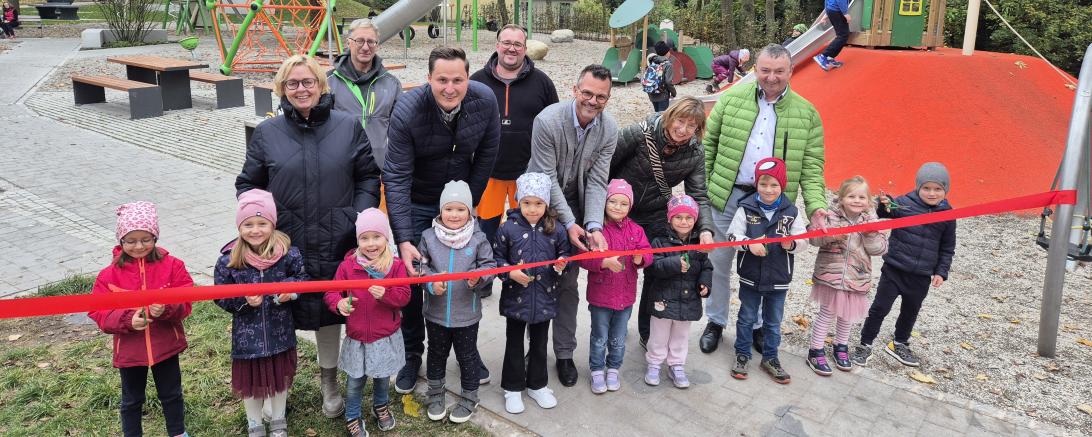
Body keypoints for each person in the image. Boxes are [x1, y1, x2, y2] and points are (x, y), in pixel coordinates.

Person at [237, 54, 382, 418]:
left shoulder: (347, 126)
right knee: (280, 312)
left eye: (308, 82)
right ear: (281, 89)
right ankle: (276, 388)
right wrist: (262, 227)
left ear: (321, 85)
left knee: (329, 313)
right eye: (292, 83)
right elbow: (248, 184)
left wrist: (357, 216)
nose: (301, 89)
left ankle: (329, 380)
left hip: (338, 238)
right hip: (287, 245)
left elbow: (368, 175)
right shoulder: (268, 132)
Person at [384, 46, 500, 395]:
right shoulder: (407, 110)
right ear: (429, 79)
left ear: (468, 78)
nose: (450, 88)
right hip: (419, 200)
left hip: (458, 201)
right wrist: (404, 238)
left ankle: (467, 351)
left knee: (465, 277)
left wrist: (468, 205)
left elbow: (487, 156)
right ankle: (411, 352)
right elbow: (396, 177)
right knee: (416, 281)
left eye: (458, 80)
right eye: (442, 80)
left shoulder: (485, 100)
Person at [700, 43, 830, 356]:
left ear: (791, 71)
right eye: (765, 70)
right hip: (728, 194)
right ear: (755, 70)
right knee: (719, 262)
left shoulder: (806, 113)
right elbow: (707, 149)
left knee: (763, 265)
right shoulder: (730, 100)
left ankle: (756, 325)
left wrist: (816, 207)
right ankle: (715, 321)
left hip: (771, 205)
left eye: (778, 71)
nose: (771, 77)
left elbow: (812, 168)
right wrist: (700, 192)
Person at [526, 64, 618, 387]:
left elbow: (597, 180)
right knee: (537, 281)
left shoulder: (609, 130)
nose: (593, 101)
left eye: (601, 97)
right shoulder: (547, 121)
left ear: (608, 99)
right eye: (588, 93)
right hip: (539, 209)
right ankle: (533, 351)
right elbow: (546, 177)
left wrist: (593, 225)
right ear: (575, 90)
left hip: (577, 208)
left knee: (567, 286)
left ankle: (564, 353)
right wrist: (568, 223)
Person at [611, 96, 716, 346]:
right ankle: (613, 327)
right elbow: (605, 166)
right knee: (617, 270)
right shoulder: (639, 133)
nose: (683, 130)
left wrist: (705, 229)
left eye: (691, 126)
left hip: (656, 214)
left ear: (698, 129)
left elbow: (698, 193)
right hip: (620, 212)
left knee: (656, 272)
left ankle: (648, 334)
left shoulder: (694, 152)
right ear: (670, 116)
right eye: (680, 121)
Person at [88, 201, 193, 437]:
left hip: (166, 346)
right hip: (129, 350)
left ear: (155, 237)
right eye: (131, 241)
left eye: (145, 239)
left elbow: (186, 301)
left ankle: (178, 432)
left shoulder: (173, 266)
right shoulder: (108, 275)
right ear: (120, 241)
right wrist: (126, 320)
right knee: (132, 399)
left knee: (172, 394)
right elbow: (98, 311)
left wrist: (166, 309)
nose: (138, 246)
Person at [214, 190, 307, 437]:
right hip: (248, 338)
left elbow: (301, 279)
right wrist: (243, 302)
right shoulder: (228, 261)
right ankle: (254, 424)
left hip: (280, 332)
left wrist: (291, 293)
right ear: (239, 226)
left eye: (262, 223)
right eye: (248, 224)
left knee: (280, 379)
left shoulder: (289, 254)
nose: (255, 230)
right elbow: (220, 295)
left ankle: (278, 422)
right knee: (250, 384)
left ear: (273, 224)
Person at [853, 163, 956, 368]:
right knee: (879, 308)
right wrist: (885, 204)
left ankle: (899, 342)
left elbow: (947, 247)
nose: (932, 193)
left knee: (910, 311)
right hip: (895, 269)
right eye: (926, 188)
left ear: (946, 190)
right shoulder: (905, 203)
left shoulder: (947, 214)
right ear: (918, 187)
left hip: (921, 275)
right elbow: (887, 211)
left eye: (938, 189)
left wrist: (941, 272)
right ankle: (865, 344)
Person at [470, 24, 559, 247]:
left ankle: (522, 280)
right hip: (488, 174)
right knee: (485, 237)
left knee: (526, 237)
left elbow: (554, 125)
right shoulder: (476, 81)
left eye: (517, 44)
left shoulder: (542, 82)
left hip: (528, 174)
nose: (512, 49)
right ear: (497, 45)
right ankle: (484, 280)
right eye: (507, 43)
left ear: (525, 48)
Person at [416, 180, 497, 423]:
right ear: (440, 210)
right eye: (449, 209)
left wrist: (479, 280)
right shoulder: (429, 237)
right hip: (435, 313)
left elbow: (489, 266)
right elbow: (420, 267)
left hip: (466, 315)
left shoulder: (478, 238)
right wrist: (430, 283)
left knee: (467, 355)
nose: (454, 214)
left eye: (460, 209)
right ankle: (435, 393)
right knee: (436, 353)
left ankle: (470, 397)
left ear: (469, 211)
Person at [326, 208, 411, 436]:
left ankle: (380, 406)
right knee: (355, 382)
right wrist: (339, 304)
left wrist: (386, 295)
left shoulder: (395, 266)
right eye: (365, 238)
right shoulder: (347, 267)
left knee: (382, 377)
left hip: (385, 336)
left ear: (386, 238)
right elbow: (331, 293)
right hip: (357, 337)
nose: (371, 243)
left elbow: (404, 296)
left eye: (377, 237)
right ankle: (353, 415)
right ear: (358, 240)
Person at [726, 158, 808, 384]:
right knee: (746, 317)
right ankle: (742, 354)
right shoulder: (746, 208)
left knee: (773, 322)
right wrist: (748, 243)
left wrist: (791, 244)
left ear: (782, 185)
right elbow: (732, 237)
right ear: (756, 184)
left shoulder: (791, 211)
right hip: (751, 275)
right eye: (763, 184)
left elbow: (803, 240)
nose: (768, 190)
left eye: (774, 185)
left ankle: (770, 358)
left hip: (778, 277)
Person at [494, 172, 571, 413]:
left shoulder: (556, 229)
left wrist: (562, 263)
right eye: (526, 203)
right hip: (516, 299)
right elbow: (497, 260)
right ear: (517, 201)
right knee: (514, 343)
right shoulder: (507, 228)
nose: (532, 209)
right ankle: (513, 388)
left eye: (538, 203)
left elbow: (566, 253)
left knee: (540, 343)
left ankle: (537, 385)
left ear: (546, 203)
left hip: (545, 296)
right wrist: (509, 272)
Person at [805, 176, 888, 376]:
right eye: (851, 196)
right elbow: (813, 239)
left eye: (862, 197)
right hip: (831, 275)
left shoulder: (871, 221)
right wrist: (831, 235)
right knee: (827, 313)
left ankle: (840, 347)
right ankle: (815, 350)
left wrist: (870, 234)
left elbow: (880, 249)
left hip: (856, 277)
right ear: (841, 198)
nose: (857, 200)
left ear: (868, 201)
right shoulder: (830, 216)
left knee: (847, 316)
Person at [578, 179, 651, 394]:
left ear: (630, 206)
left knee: (618, 338)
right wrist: (602, 262)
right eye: (612, 201)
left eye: (623, 203)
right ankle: (597, 370)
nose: (617, 207)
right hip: (600, 295)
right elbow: (583, 258)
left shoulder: (636, 230)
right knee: (599, 337)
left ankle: (613, 368)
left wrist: (640, 259)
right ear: (604, 202)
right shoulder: (596, 231)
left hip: (625, 296)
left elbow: (648, 253)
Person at [643, 194, 712, 389]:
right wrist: (674, 264)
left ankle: (677, 364)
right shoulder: (659, 242)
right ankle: (654, 363)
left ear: (695, 220)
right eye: (679, 217)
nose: (684, 221)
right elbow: (652, 266)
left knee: (681, 336)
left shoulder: (699, 244)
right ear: (670, 218)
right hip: (662, 299)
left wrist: (705, 284)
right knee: (659, 335)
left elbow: (707, 267)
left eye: (689, 218)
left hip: (688, 299)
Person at [328, 19, 402, 167]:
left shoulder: (391, 84)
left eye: (371, 42)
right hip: (340, 167)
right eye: (360, 41)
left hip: (378, 168)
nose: (365, 47)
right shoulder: (329, 82)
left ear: (377, 45)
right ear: (349, 42)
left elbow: (401, 130)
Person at [814, 0, 851, 71]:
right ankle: (823, 56)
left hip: (832, 10)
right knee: (843, 36)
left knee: (842, 35)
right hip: (837, 11)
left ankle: (829, 58)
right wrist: (845, 14)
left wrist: (826, 14)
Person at [643, 41, 677, 113]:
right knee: (662, 117)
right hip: (662, 95)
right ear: (667, 52)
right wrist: (674, 93)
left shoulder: (652, 61)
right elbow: (668, 82)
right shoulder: (668, 65)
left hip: (652, 93)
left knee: (657, 114)